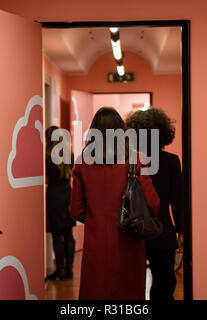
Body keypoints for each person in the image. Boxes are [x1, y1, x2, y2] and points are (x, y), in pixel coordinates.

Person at [69, 107, 160, 300]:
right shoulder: (137, 160)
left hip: (96, 246)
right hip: (129, 243)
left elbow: (75, 210)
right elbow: (153, 205)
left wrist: (95, 219)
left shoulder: (81, 163)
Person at [125, 107, 186, 300]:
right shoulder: (171, 161)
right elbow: (178, 201)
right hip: (162, 231)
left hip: (132, 231)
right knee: (164, 285)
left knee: (130, 284)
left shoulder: (128, 162)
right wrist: (182, 231)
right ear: (163, 134)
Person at [45, 126, 76, 280]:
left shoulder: (47, 156)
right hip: (67, 195)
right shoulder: (69, 155)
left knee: (57, 235)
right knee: (68, 234)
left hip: (54, 196)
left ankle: (60, 270)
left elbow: (45, 178)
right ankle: (70, 270)